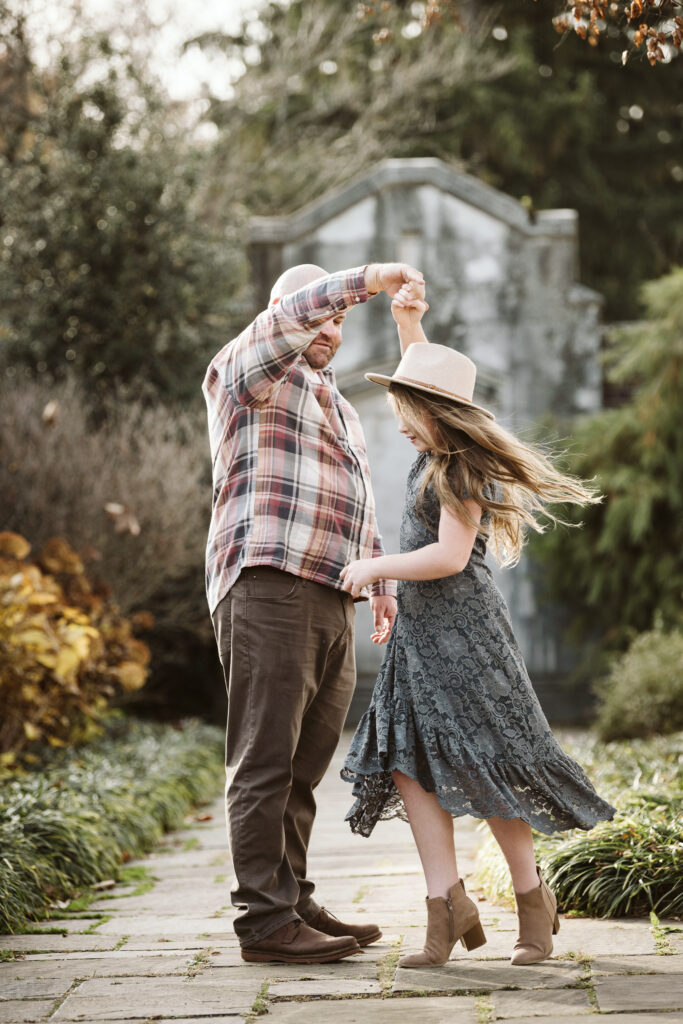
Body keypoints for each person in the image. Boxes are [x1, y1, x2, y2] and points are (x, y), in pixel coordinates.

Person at [339, 281, 616, 969]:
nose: (400, 420)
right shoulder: (433, 450)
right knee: (406, 763)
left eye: (410, 411)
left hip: (468, 638)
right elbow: (423, 377)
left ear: (442, 415)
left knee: (491, 765)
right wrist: (408, 323)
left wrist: (376, 570)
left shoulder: (458, 469)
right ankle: (446, 904)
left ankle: (531, 900)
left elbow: (449, 556)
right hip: (421, 639)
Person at [202, 260, 425, 964]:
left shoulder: (339, 403)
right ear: (287, 310)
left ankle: (292, 897)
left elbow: (354, 498)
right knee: (264, 759)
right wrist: (373, 278)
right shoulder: (247, 372)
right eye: (319, 314)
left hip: (331, 592)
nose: (330, 327)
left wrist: (381, 583)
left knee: (303, 767)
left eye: (339, 321)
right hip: (268, 582)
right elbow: (291, 319)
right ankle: (264, 923)